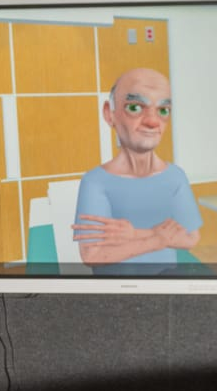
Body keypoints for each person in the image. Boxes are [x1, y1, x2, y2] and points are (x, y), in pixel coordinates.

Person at [72, 67, 202, 268]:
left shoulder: (175, 177)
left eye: (163, 110)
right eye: (134, 108)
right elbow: (92, 255)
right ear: (110, 114)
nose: (153, 121)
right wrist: (157, 239)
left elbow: (191, 238)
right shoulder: (95, 182)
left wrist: (134, 234)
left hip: (167, 282)